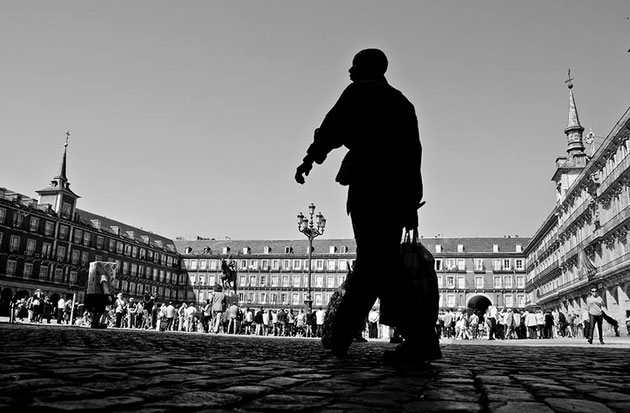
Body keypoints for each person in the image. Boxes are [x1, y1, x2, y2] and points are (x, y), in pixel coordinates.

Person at [295, 48, 439, 364]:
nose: (349, 71)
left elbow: (331, 129)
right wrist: (412, 200)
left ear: (365, 68)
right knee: (378, 260)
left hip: (368, 185)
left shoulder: (358, 92)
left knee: (378, 261)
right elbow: (414, 153)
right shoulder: (403, 103)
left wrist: (309, 159)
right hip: (397, 191)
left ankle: (413, 338)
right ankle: (350, 334)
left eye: (354, 65)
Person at [84, 262, 116, 329]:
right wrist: (108, 295)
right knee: (100, 310)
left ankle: (94, 323)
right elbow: (104, 285)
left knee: (95, 310)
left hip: (93, 296)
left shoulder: (93, 277)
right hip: (101, 296)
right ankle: (97, 322)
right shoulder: (103, 275)